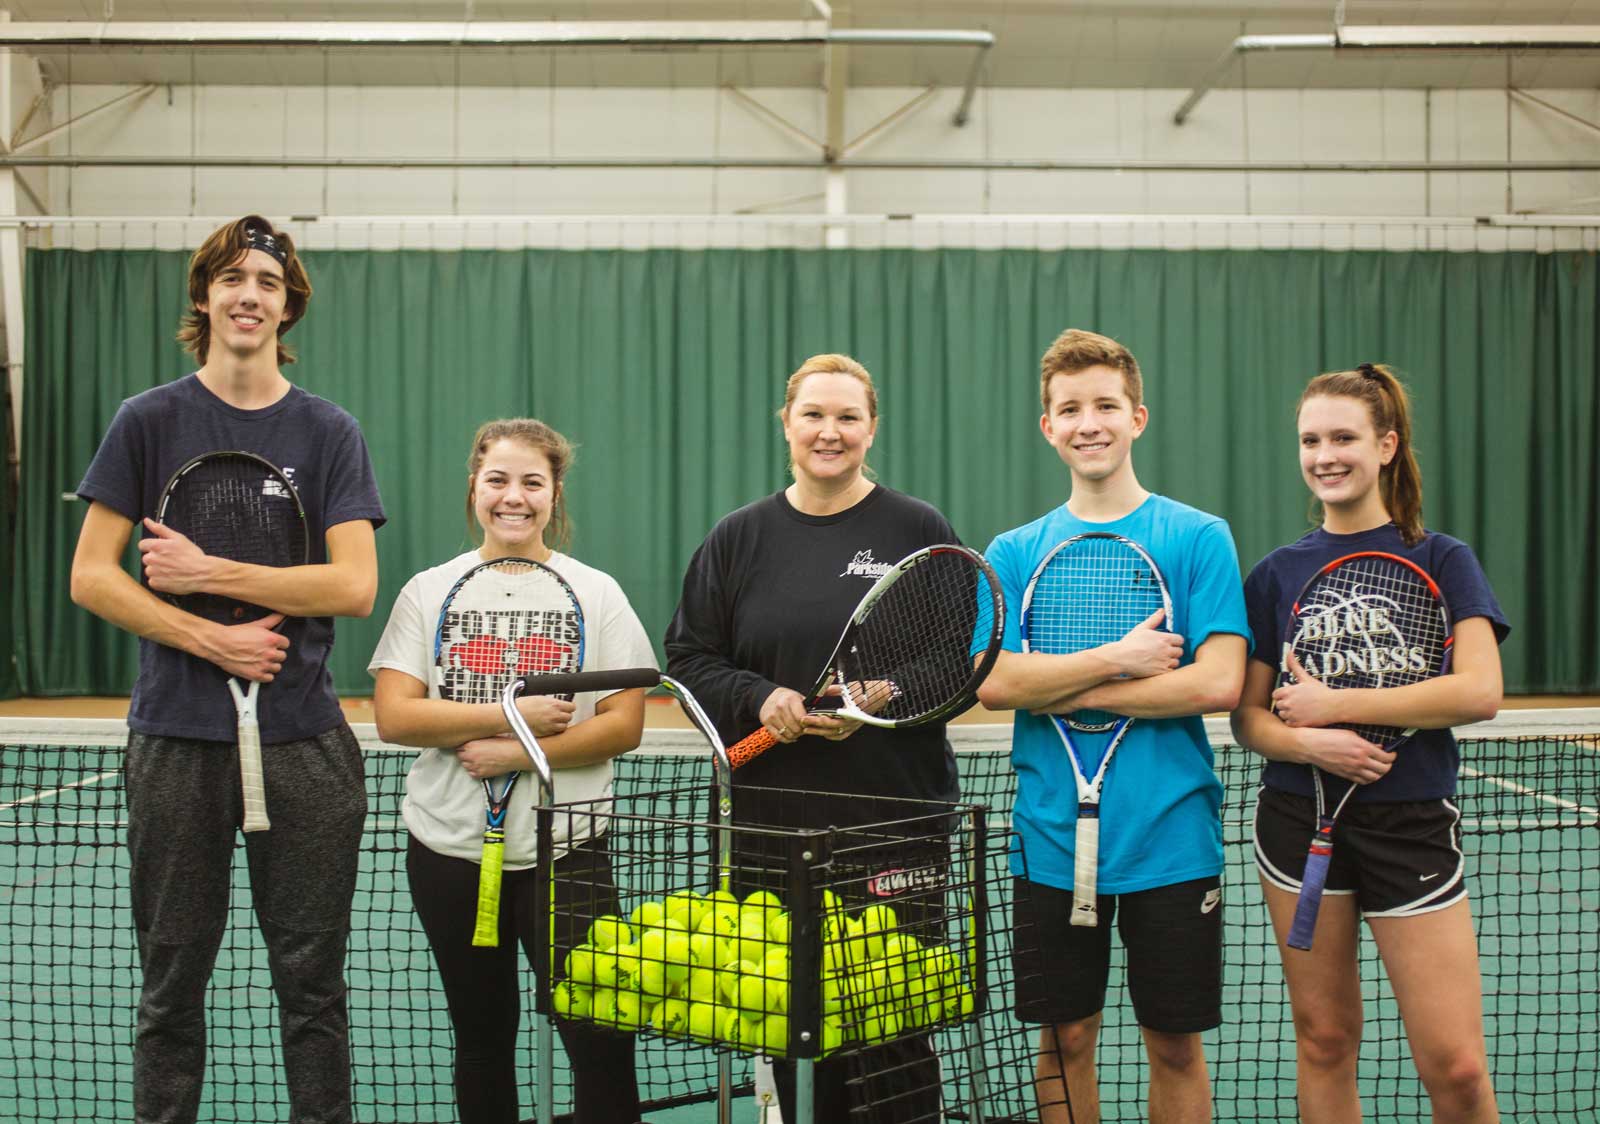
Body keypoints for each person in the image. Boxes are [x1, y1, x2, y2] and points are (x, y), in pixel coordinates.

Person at [69, 216, 385, 1124]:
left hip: (305, 748)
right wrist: (212, 639)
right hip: (175, 742)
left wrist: (208, 574)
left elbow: (354, 584)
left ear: (289, 309)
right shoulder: (148, 421)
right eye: (233, 278)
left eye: (270, 283)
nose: (250, 295)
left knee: (314, 992)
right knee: (171, 992)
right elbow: (91, 576)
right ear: (203, 295)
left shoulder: (328, 431)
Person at [664, 353, 957, 1123]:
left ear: (872, 428)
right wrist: (761, 700)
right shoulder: (737, 539)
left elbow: (957, 661)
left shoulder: (917, 529)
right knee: (792, 1031)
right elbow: (690, 659)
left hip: (897, 824)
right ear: (787, 424)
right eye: (814, 416)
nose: (830, 432)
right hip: (773, 833)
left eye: (847, 417)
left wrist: (887, 693)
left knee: (894, 1035)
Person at [975, 328, 1249, 1124]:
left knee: (1174, 1044)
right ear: (1047, 427)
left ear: (1138, 416)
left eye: (1104, 405)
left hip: (1172, 840)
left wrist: (1059, 685)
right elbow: (994, 684)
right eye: (1069, 408)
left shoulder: (1199, 537)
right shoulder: (1015, 551)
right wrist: (1124, 659)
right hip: (1049, 840)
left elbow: (1221, 681)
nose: (1087, 422)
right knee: (1065, 1040)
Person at [1230, 363, 1507, 1124]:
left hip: (1410, 826)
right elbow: (1249, 720)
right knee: (1323, 1040)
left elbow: (1480, 691)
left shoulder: (1442, 558)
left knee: (1455, 1065)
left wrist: (1333, 706)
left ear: (1386, 446)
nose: (1326, 454)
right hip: (1297, 827)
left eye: (1344, 437)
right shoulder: (1275, 575)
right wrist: (1310, 746)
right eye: (1311, 439)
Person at [369, 418, 656, 1124]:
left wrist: (519, 752)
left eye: (532, 482)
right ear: (475, 487)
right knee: (482, 1040)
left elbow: (624, 723)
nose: (513, 497)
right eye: (497, 480)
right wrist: (513, 720)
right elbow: (396, 717)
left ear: (555, 494)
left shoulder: (597, 592)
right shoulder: (428, 590)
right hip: (450, 855)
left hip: (570, 853)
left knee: (601, 1041)